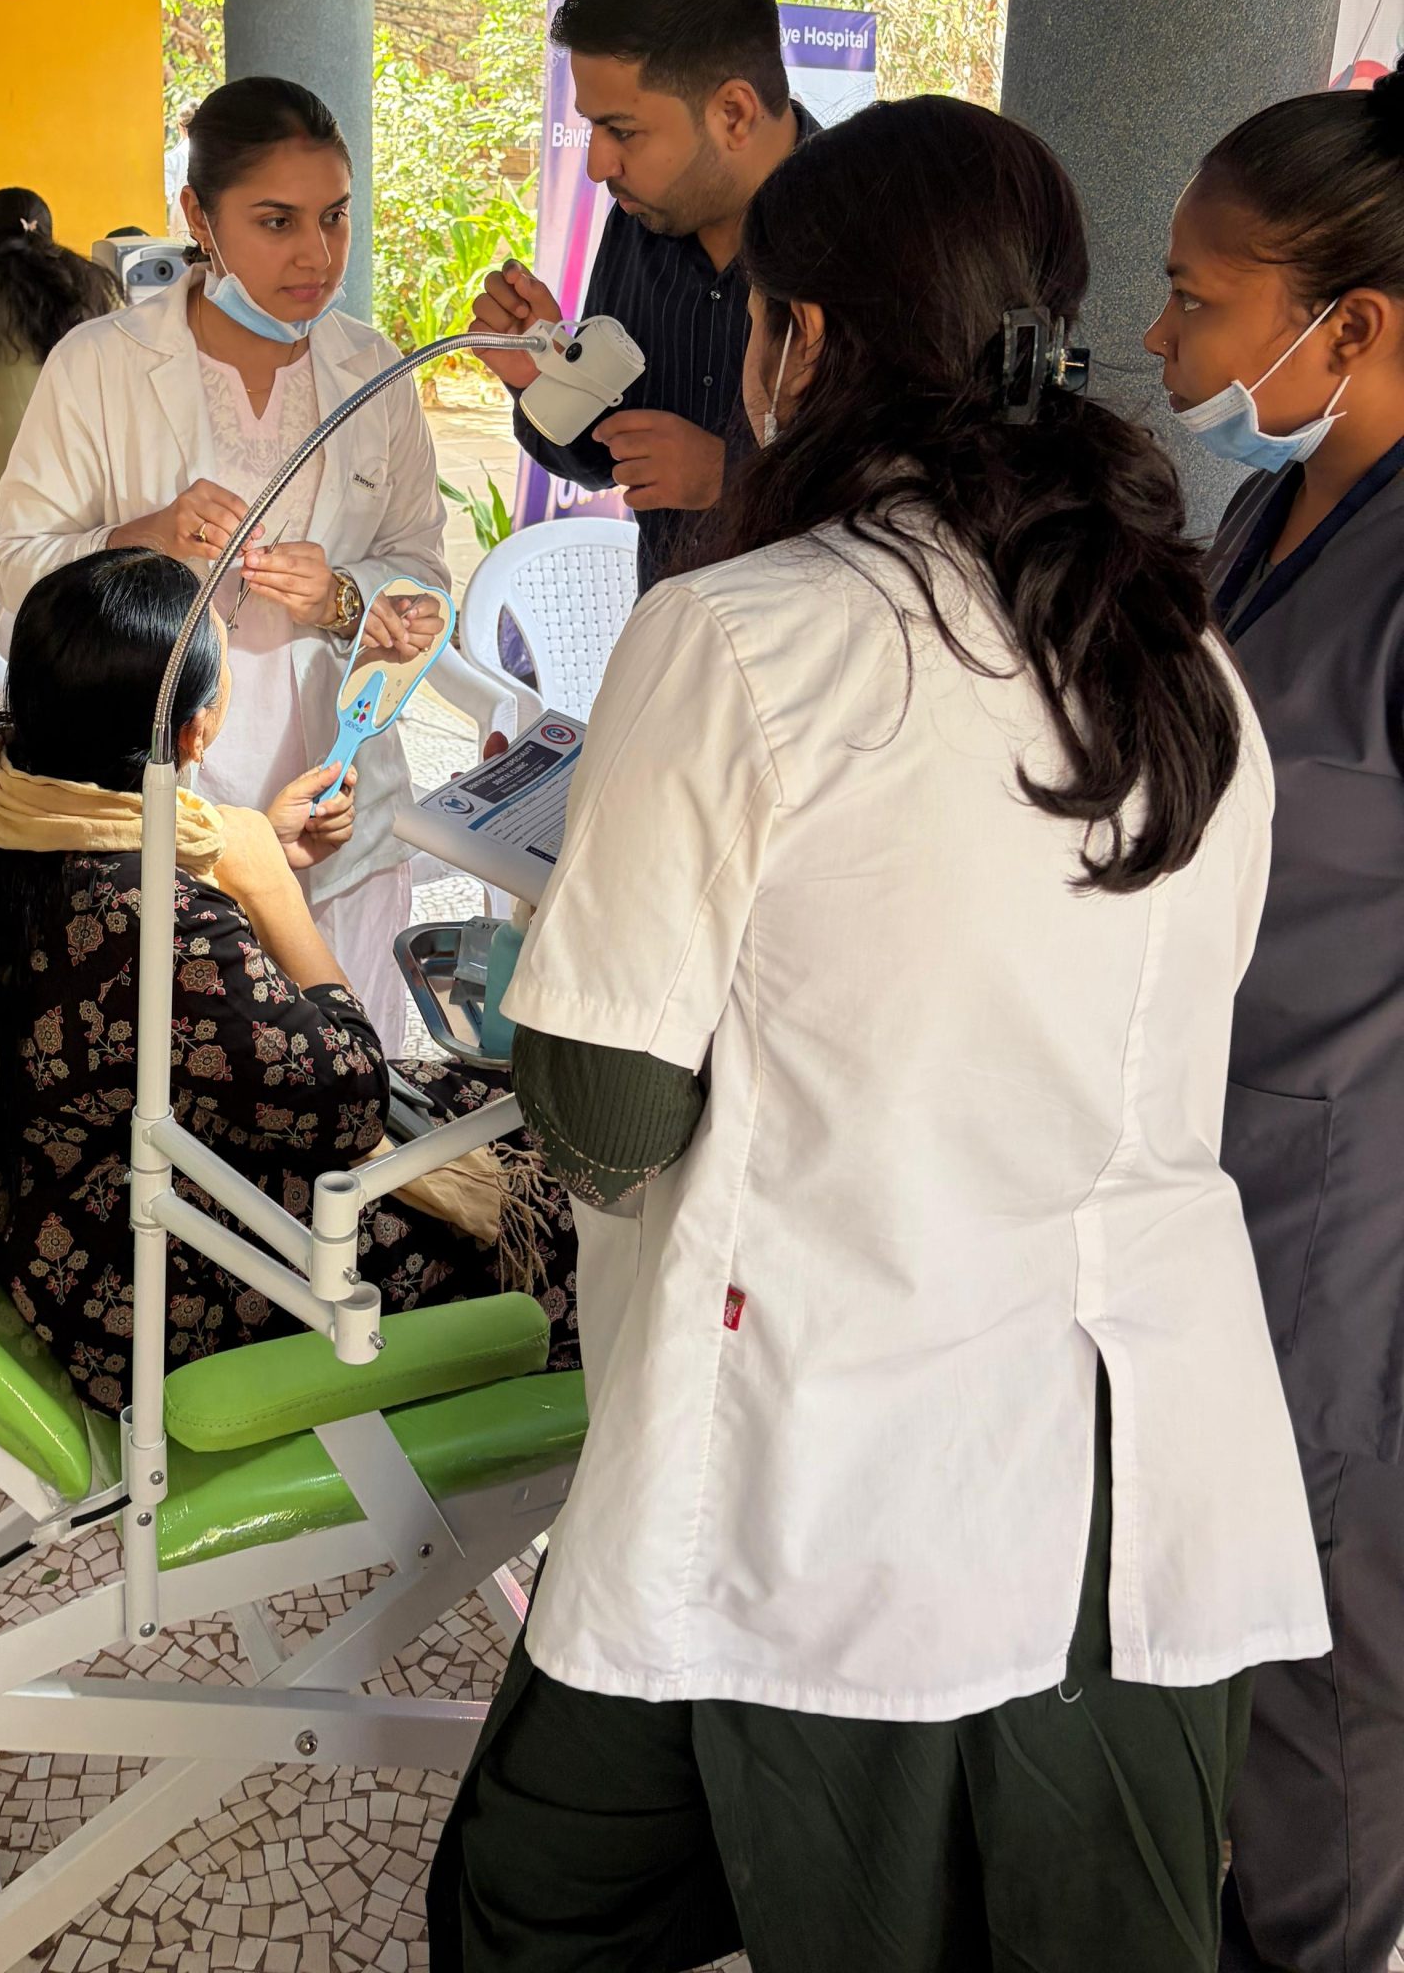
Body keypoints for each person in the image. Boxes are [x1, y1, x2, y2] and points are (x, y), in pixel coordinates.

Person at [428, 97, 1327, 1973]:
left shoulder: (741, 636)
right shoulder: (1184, 660)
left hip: (835, 1453)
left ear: (803, 343)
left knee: (529, 1911)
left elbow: (602, 1118)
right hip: (1146, 1474)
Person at [0, 544, 579, 1413]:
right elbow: (352, 1096)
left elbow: (142, 1008)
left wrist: (243, 854)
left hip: (52, 1206)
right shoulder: (149, 910)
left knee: (474, 1101)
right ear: (196, 733)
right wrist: (271, 892)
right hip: (151, 1292)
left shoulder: (1, 808)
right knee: (557, 1194)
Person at [1145, 70, 1404, 1973]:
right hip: (1231, 1144)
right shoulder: (1262, 507)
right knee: (1241, 1597)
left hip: (1361, 1193)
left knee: (1342, 1652)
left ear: (1353, 326)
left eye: (1198, 300)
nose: (1162, 343)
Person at [0, 79, 451, 1047]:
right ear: (198, 217)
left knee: (344, 1066)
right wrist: (143, 536)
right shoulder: (100, 365)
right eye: (276, 221)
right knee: (185, 1068)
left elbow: (423, 575)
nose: (316, 255)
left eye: (335, 216)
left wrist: (342, 598)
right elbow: (20, 570)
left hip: (337, 797)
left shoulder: (375, 371)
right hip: (155, 791)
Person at [470, 0, 814, 590]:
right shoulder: (640, 223)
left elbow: (917, 492)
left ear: (734, 114)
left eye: (621, 131)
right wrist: (547, 379)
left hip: (816, 647)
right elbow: (606, 457)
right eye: (592, 126)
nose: (598, 165)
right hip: (668, 632)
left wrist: (733, 476)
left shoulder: (864, 235)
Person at [0, 188, 117, 521]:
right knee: (86, 550)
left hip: (5, 451)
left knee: (8, 549)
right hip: (90, 452)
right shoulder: (94, 279)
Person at [164, 103, 197, 241]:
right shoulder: (218, 155)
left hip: (181, 234)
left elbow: (166, 196)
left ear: (180, 127)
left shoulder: (172, 159)